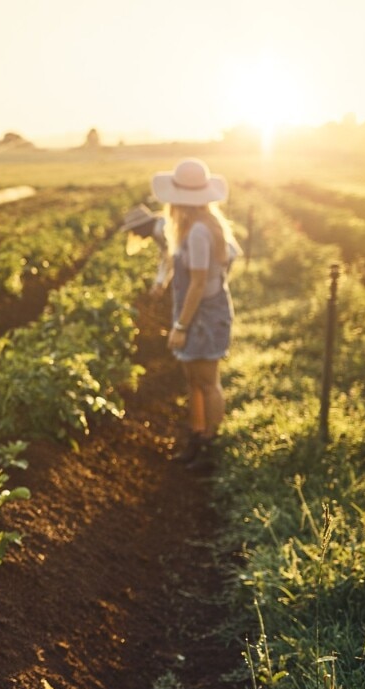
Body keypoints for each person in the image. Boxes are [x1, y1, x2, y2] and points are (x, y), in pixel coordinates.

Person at [148, 158, 240, 472]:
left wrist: (180, 326)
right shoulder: (193, 226)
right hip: (196, 311)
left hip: (204, 315)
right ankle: (197, 436)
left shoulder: (200, 231)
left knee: (208, 381)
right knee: (193, 380)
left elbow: (199, 283)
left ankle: (211, 446)